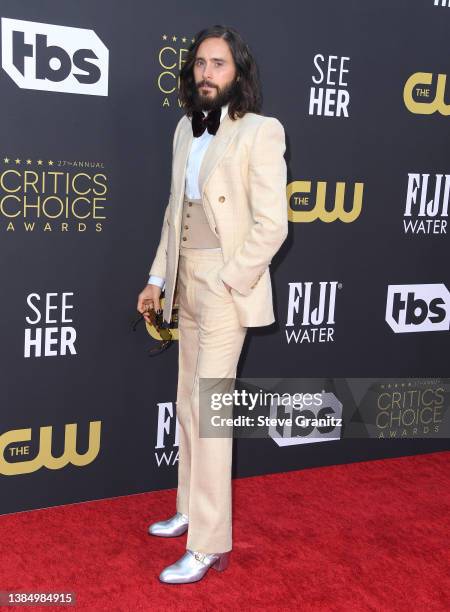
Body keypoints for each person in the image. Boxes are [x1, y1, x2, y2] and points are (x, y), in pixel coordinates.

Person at [136, 24, 288, 584]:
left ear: (238, 73)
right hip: (183, 280)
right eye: (200, 63)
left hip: (226, 285)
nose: (207, 73)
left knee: (211, 417)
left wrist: (229, 279)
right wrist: (157, 277)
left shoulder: (261, 131)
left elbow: (274, 225)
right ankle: (188, 509)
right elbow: (174, 212)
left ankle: (209, 542)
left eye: (219, 64)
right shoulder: (184, 129)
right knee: (186, 402)